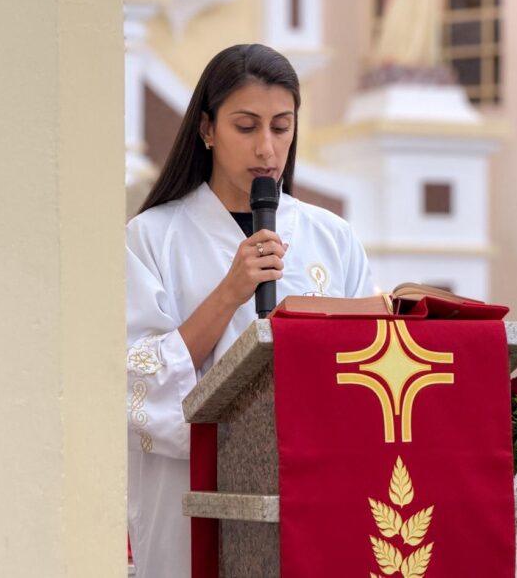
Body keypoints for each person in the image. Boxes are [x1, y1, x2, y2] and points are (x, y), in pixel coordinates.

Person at [127, 43, 375, 577]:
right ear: (207, 129)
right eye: (246, 126)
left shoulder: (332, 237)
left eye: (281, 126)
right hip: (193, 495)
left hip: (313, 492)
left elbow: (366, 369)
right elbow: (134, 383)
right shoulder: (152, 238)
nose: (267, 147)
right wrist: (229, 292)